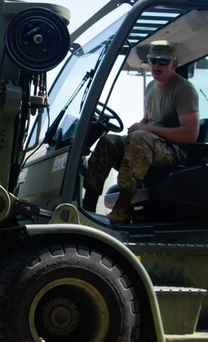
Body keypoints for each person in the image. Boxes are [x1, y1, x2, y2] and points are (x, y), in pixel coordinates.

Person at [82, 40, 200, 224]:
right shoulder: (151, 87)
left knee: (139, 138)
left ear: (174, 64)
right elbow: (147, 120)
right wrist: (139, 125)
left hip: (175, 151)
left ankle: (122, 209)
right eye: (153, 61)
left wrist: (145, 130)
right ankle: (88, 205)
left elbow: (190, 134)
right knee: (109, 141)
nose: (156, 66)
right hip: (150, 143)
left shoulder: (183, 89)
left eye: (163, 62)